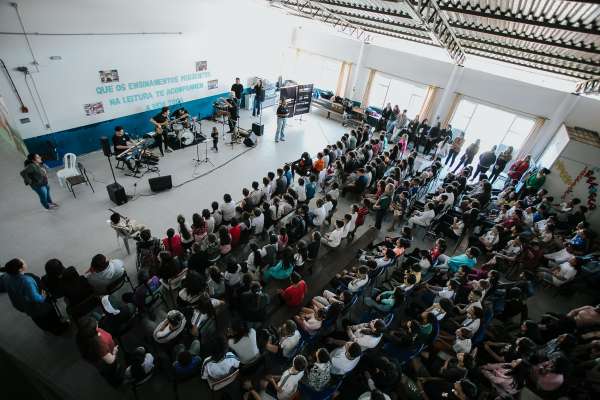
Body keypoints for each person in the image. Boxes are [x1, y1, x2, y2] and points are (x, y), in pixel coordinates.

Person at [1, 258, 69, 334]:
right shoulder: (27, 281)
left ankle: (48, 328)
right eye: (23, 262)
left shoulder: (6, 276)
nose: (24, 262)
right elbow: (35, 297)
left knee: (37, 318)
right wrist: (42, 297)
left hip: (21, 304)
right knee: (49, 316)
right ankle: (58, 328)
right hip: (37, 307)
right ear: (20, 269)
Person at [76, 316, 122, 385]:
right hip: (106, 363)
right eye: (95, 323)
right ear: (92, 331)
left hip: (96, 359)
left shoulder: (80, 335)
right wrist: (115, 352)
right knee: (111, 372)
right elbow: (110, 361)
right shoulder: (98, 343)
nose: (97, 322)